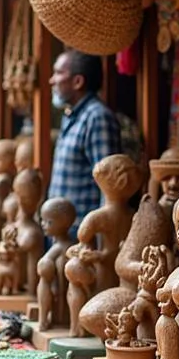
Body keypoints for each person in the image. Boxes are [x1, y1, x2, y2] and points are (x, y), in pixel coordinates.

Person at [48, 49, 123, 228]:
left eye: (58, 73)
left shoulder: (97, 117)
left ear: (78, 81)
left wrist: (99, 239)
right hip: (62, 232)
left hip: (82, 234)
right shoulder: (72, 116)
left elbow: (108, 187)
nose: (52, 80)